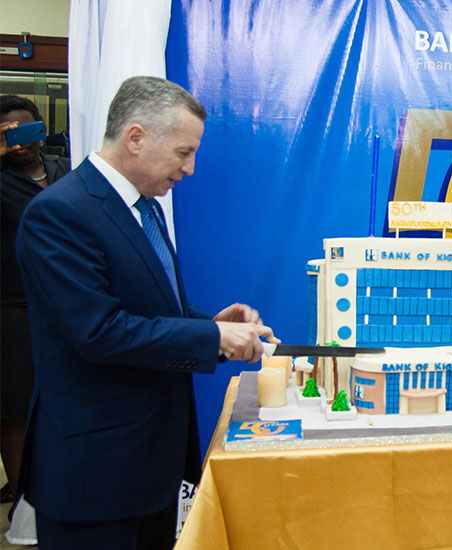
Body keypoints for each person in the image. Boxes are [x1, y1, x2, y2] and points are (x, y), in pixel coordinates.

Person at [15, 76, 278, 550]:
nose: (190, 168)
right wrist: (212, 340)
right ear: (135, 137)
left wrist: (209, 325)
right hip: (95, 475)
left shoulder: (144, 206)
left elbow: (147, 305)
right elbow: (98, 331)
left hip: (150, 466)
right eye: (183, 152)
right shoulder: (60, 213)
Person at [1, 96, 72, 505]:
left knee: (59, 397)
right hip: (14, 305)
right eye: (6, 134)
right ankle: (22, 501)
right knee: (15, 405)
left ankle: (55, 490)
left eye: (24, 130)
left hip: (64, 301)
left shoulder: (65, 169)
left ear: (41, 130)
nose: (19, 141)